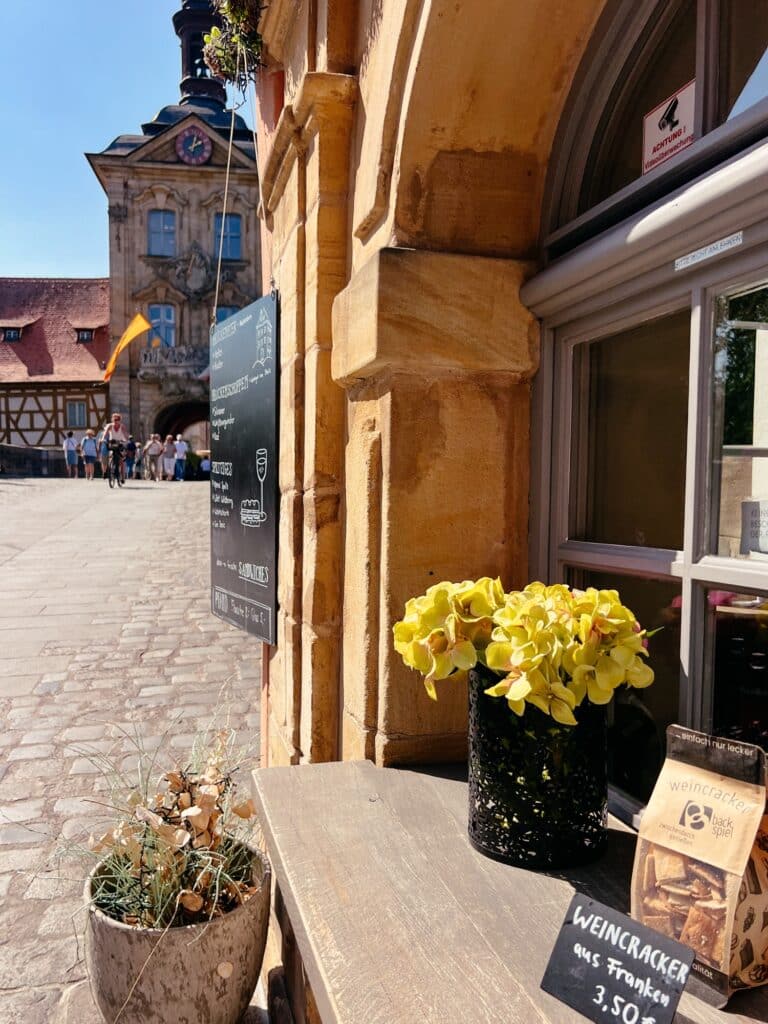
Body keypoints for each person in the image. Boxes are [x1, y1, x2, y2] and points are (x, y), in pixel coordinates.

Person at [102, 413, 130, 482]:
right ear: (112, 420)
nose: (116, 421)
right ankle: (109, 469)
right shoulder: (110, 426)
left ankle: (122, 477)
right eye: (114, 419)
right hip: (112, 442)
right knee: (111, 455)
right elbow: (105, 433)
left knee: (121, 461)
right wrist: (103, 439)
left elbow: (125, 433)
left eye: (117, 419)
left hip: (120, 442)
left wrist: (126, 439)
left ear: (119, 420)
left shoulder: (122, 426)